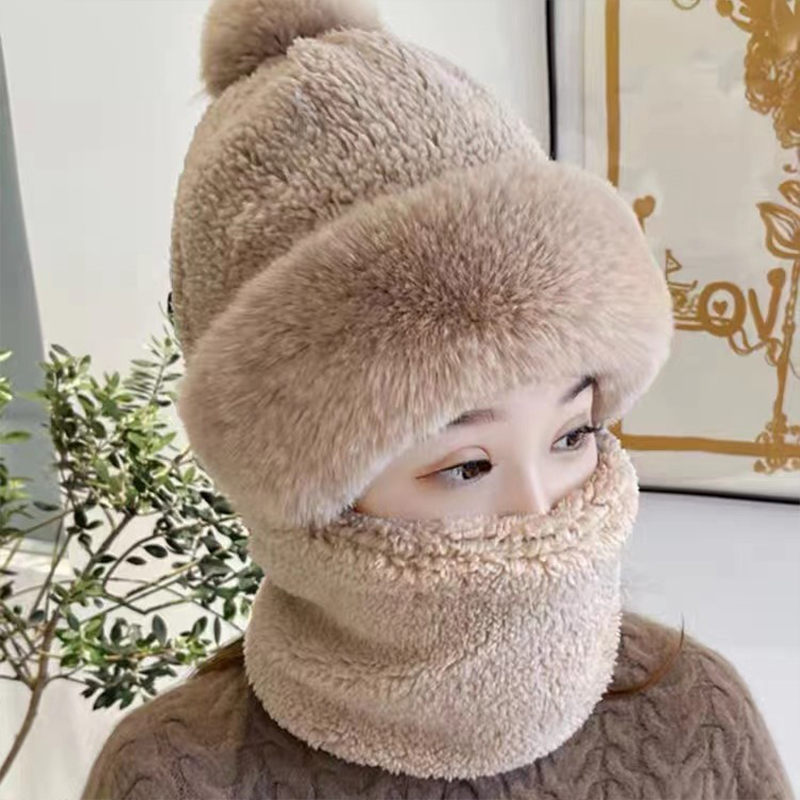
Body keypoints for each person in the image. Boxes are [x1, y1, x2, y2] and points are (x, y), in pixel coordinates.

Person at [81, 0, 793, 797]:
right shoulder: (175, 778)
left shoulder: (696, 717)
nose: (542, 513)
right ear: (312, 498)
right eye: (466, 466)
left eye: (572, 436)